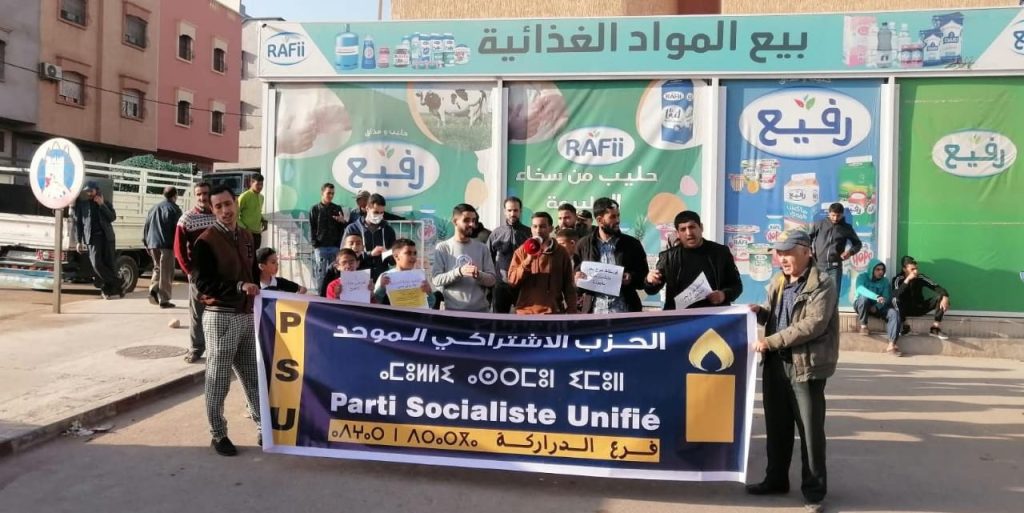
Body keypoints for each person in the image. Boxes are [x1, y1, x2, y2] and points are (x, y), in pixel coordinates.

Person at [747, 229, 838, 513]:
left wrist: (770, 341)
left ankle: (814, 493)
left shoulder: (823, 283)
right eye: (779, 253)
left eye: (788, 253)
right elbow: (776, 315)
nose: (782, 259)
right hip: (775, 364)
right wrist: (760, 312)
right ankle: (776, 480)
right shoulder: (779, 281)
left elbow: (813, 325)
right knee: (777, 427)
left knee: (810, 432)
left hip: (805, 365)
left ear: (806, 252)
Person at [190, 185, 263, 456]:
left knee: (253, 376)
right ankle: (218, 434)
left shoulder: (246, 236)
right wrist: (238, 287)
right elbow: (202, 283)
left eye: (228, 204)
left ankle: (263, 427)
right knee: (218, 379)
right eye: (218, 206)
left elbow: (254, 274)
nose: (225, 210)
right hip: (220, 317)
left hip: (246, 315)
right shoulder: (206, 241)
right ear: (212, 209)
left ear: (236, 203)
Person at [644, 211, 743, 309]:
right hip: (678, 316)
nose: (689, 233)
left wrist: (723, 295)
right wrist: (650, 281)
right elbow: (651, 290)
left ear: (701, 227)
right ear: (677, 233)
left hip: (713, 315)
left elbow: (737, 286)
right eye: (683, 229)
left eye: (692, 227)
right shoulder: (668, 257)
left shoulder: (721, 253)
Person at [574, 197, 649, 313]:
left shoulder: (632, 244)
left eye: (618, 215)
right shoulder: (583, 245)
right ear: (600, 220)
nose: (617, 220)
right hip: (594, 314)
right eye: (613, 217)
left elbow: (644, 278)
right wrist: (577, 280)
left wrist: (631, 278)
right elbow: (575, 283)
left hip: (625, 313)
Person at [174, 182, 216, 363]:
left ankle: (217, 348)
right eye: (199, 194)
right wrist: (189, 271)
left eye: (205, 193)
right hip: (199, 274)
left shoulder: (218, 216)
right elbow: (179, 249)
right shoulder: (187, 219)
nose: (202, 197)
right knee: (197, 313)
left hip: (219, 273)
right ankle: (197, 348)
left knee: (218, 312)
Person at [507, 212, 577, 315]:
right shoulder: (521, 251)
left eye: (542, 226)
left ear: (551, 229)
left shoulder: (561, 252)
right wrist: (528, 260)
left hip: (553, 313)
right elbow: (512, 281)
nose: (538, 230)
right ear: (531, 228)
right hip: (526, 313)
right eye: (535, 226)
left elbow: (569, 286)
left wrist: (572, 311)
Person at [431, 204, 497, 312]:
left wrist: (478, 274)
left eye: (473, 220)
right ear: (455, 221)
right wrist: (459, 272)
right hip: (453, 313)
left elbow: (492, 280)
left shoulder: (482, 248)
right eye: (466, 220)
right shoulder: (443, 248)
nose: (472, 224)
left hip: (480, 312)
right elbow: (436, 279)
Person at [72, 181, 120, 299]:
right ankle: (117, 282)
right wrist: (78, 241)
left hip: (107, 238)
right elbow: (78, 224)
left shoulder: (105, 203)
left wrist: (102, 205)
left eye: (91, 191)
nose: (89, 193)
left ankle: (109, 291)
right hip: (92, 239)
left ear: (96, 190)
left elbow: (112, 217)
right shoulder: (83, 205)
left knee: (108, 264)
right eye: (87, 191)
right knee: (96, 264)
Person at [486, 197, 532, 313]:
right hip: (501, 286)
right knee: (499, 320)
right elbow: (488, 259)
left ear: (520, 211)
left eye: (515, 210)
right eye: (509, 210)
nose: (512, 214)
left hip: (523, 285)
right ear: (504, 211)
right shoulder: (496, 234)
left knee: (524, 319)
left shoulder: (529, 233)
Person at [892, 256, 951, 340]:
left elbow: (937, 288)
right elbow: (896, 294)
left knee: (942, 298)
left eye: (916, 268)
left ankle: (935, 328)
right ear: (904, 269)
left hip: (919, 308)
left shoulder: (920, 277)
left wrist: (945, 297)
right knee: (895, 300)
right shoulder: (898, 279)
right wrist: (907, 280)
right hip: (905, 310)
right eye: (912, 269)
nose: (916, 271)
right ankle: (905, 326)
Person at [142, 186, 182, 308]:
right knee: (167, 272)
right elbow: (178, 230)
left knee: (157, 268)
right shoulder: (174, 209)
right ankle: (164, 300)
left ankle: (153, 290)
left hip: (152, 243)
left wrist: (146, 243)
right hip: (166, 245)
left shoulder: (153, 208)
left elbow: (146, 226)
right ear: (175, 196)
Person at [344, 193, 397, 281]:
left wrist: (388, 253)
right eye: (376, 212)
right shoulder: (352, 229)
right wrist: (370, 254)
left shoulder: (388, 230)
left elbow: (393, 261)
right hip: (358, 278)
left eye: (381, 213)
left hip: (381, 278)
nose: (379, 215)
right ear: (367, 209)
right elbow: (345, 256)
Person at [808, 203, 861, 291]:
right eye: (833, 215)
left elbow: (858, 244)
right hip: (818, 266)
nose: (835, 218)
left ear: (842, 214)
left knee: (833, 295)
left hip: (835, 268)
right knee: (816, 293)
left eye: (838, 216)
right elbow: (808, 238)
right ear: (829, 213)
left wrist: (850, 252)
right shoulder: (819, 224)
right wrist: (809, 251)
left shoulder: (847, 228)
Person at [854, 259, 901, 355]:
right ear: (871, 269)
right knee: (863, 298)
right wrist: (875, 297)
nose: (881, 272)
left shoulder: (885, 281)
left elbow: (886, 298)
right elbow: (860, 289)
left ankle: (891, 345)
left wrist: (877, 306)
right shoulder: (862, 277)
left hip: (878, 307)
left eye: (882, 270)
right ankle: (863, 326)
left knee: (893, 313)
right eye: (878, 269)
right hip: (862, 305)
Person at [309, 183, 349, 294]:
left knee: (335, 272)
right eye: (328, 193)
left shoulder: (337, 208)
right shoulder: (315, 209)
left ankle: (333, 294)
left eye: (332, 193)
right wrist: (315, 244)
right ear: (322, 193)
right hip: (320, 246)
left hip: (334, 247)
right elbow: (312, 227)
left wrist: (342, 221)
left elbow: (343, 228)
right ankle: (321, 295)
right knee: (320, 273)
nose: (331, 196)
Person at [373, 238, 435, 309]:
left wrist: (429, 292)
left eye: (415, 253)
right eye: (408, 253)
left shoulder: (419, 276)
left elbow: (430, 304)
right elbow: (375, 302)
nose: (413, 256)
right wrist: (382, 288)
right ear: (396, 256)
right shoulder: (385, 277)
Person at [237, 173, 265, 249]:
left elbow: (257, 212)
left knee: (255, 254)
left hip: (257, 232)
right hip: (245, 233)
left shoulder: (261, 197)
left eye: (262, 184)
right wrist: (245, 229)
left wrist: (263, 220)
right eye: (258, 184)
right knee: (246, 254)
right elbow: (235, 216)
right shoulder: (244, 196)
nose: (260, 187)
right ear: (251, 183)